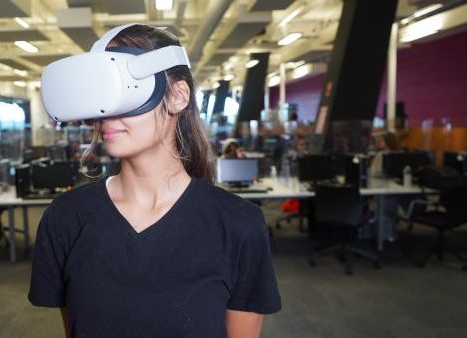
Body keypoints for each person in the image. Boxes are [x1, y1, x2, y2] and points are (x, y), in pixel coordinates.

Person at [28, 24, 281, 338]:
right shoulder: (66, 217)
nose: (106, 114)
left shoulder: (238, 224)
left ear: (177, 96)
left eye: (124, 89)